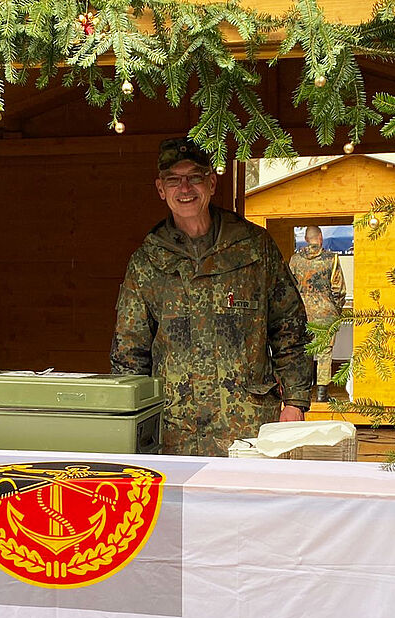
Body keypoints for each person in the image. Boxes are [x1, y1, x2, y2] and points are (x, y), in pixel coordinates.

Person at [111, 136, 313, 456]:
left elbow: (289, 327)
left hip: (248, 427)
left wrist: (296, 402)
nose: (185, 189)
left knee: (249, 506)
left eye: (195, 177)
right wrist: (125, 423)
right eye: (173, 180)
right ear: (161, 189)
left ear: (212, 183)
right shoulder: (148, 261)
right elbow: (129, 353)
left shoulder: (254, 248)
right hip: (173, 431)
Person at [288, 226, 347, 403]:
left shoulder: (295, 260)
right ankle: (322, 393)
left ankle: (302, 392)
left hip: (302, 314)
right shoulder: (332, 259)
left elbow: (289, 288)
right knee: (324, 352)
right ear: (320, 237)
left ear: (306, 239)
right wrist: (336, 310)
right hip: (325, 313)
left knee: (303, 351)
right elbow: (339, 289)